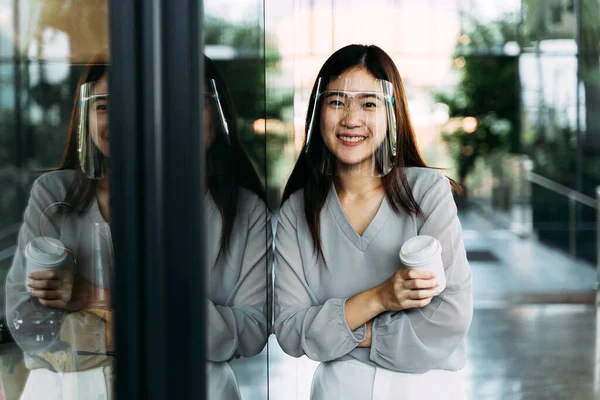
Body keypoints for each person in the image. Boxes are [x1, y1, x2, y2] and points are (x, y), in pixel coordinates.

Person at [273, 44, 473, 399]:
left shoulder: (427, 193)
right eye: (337, 101)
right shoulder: (296, 212)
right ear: (318, 112)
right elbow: (290, 330)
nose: (351, 119)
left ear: (391, 114)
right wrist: (380, 297)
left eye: (368, 103)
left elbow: (451, 317)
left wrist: (338, 331)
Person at [5, 52, 115, 399]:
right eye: (105, 106)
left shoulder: (188, 201)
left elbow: (229, 335)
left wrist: (91, 297)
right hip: (65, 388)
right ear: (86, 115)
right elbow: (28, 319)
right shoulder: (55, 194)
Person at [203, 55, 271, 399]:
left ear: (218, 113)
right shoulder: (111, 198)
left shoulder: (246, 210)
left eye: (198, 101)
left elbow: (252, 330)